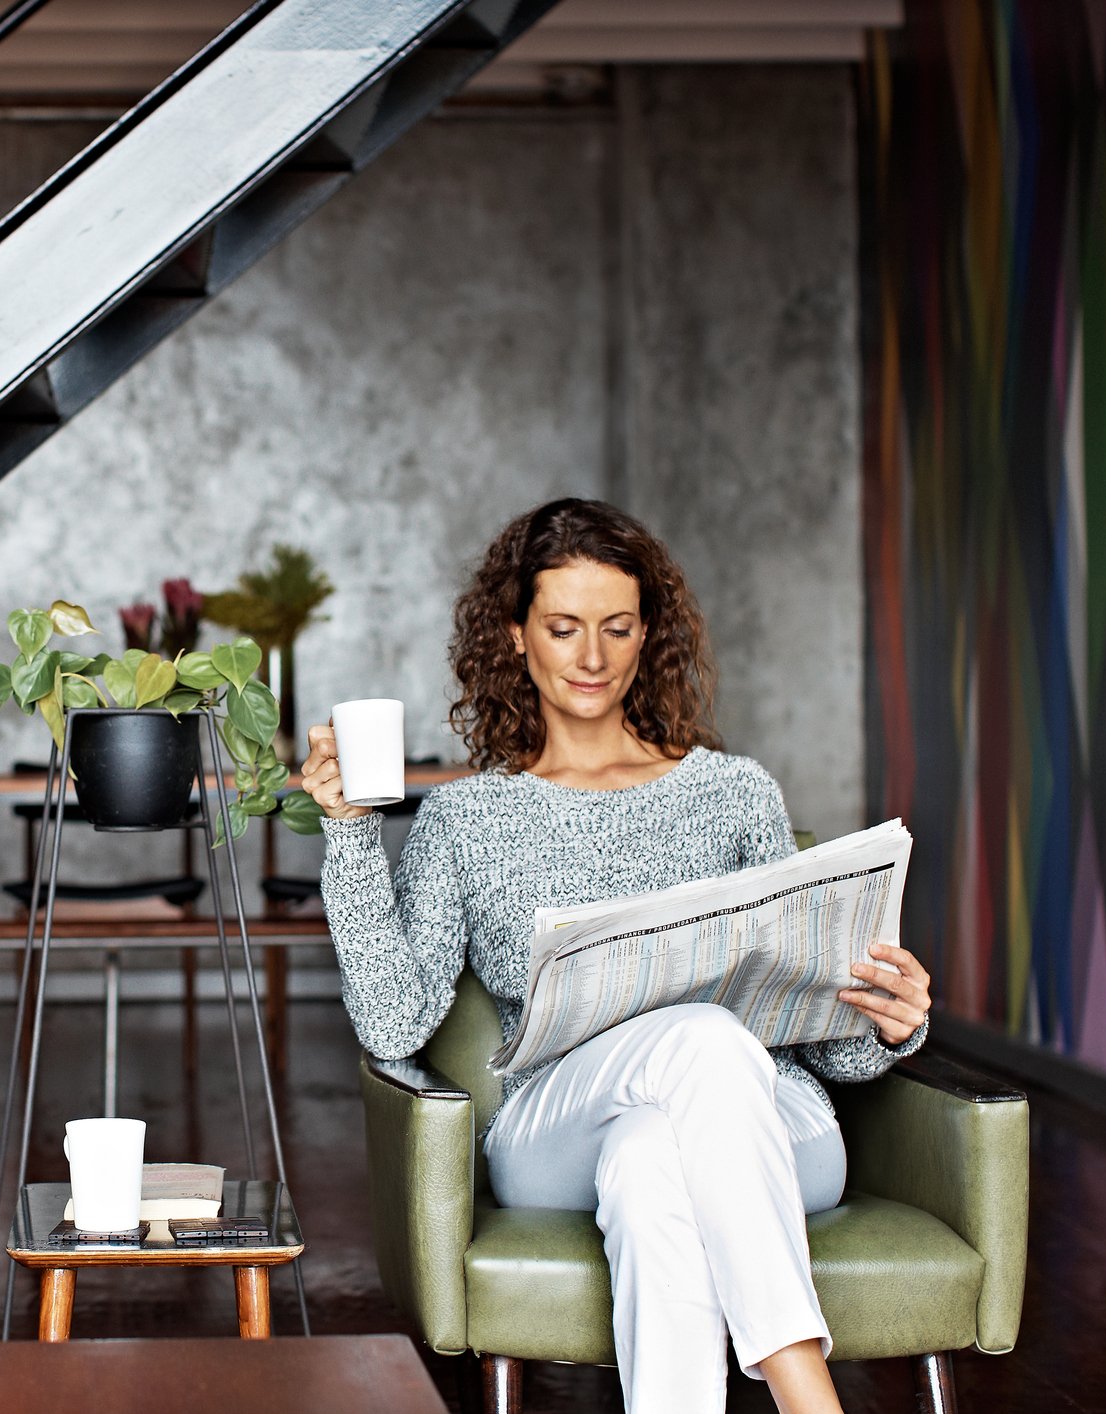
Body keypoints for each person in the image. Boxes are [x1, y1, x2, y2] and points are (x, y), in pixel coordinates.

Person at [303, 498, 933, 1414]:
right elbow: (393, 1021)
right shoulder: (465, 818)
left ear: (648, 637)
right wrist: (351, 836)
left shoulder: (734, 794)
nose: (590, 658)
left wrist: (888, 1021)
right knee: (700, 1038)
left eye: (616, 628)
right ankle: (807, 1394)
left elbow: (825, 1048)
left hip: (775, 1129)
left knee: (652, 1157)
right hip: (554, 1130)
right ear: (515, 637)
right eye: (562, 629)